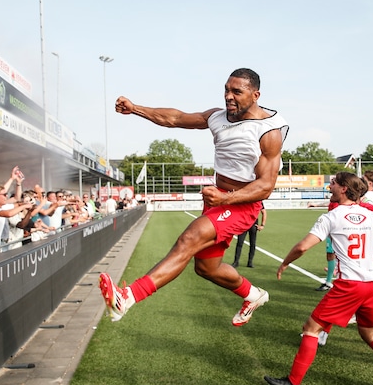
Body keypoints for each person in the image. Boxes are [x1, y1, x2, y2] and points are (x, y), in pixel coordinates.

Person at [99, 68, 288, 327]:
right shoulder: (217, 117)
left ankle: (127, 297)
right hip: (218, 200)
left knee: (189, 238)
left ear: (255, 95)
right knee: (207, 268)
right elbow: (175, 118)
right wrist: (135, 109)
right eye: (226, 90)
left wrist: (225, 199)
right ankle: (253, 295)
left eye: (237, 92)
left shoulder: (269, 131)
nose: (228, 96)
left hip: (242, 203)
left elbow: (265, 186)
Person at [265, 172, 373, 385]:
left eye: (333, 183)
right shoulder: (370, 215)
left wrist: (285, 262)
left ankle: (293, 383)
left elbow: (303, 246)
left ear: (344, 188)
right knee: (370, 335)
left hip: (349, 286)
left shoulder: (332, 217)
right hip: (370, 286)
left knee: (311, 329)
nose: (330, 186)